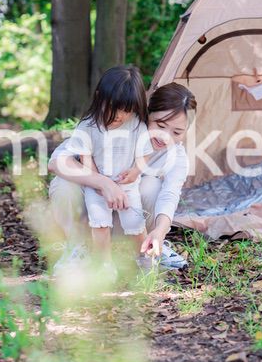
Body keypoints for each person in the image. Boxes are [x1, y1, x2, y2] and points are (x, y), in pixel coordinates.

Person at [48, 81, 196, 273]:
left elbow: (170, 195)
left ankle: (145, 248)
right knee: (63, 184)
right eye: (160, 125)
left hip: (131, 221)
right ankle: (78, 246)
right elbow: (56, 162)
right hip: (92, 216)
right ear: (146, 114)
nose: (164, 136)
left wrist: (160, 230)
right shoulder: (116, 126)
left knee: (151, 185)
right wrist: (103, 183)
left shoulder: (176, 156)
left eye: (176, 132)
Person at [50, 65, 151, 277]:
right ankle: (100, 261)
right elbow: (82, 158)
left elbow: (143, 155)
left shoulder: (136, 125)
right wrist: (99, 181)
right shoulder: (88, 126)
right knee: (99, 222)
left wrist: (135, 170)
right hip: (95, 190)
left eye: (127, 109)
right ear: (100, 98)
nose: (120, 115)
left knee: (135, 221)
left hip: (127, 187)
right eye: (114, 107)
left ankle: (145, 257)